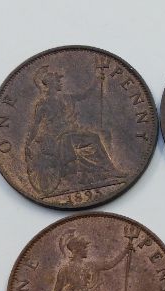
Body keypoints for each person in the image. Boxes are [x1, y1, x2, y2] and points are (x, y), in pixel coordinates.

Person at [23, 65, 123, 197]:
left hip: (71, 132)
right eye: (57, 81)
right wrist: (28, 143)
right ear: (51, 84)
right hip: (56, 136)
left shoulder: (67, 98)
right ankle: (105, 170)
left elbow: (84, 95)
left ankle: (106, 169)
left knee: (95, 137)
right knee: (83, 138)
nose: (60, 83)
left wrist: (96, 81)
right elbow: (35, 125)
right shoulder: (43, 104)